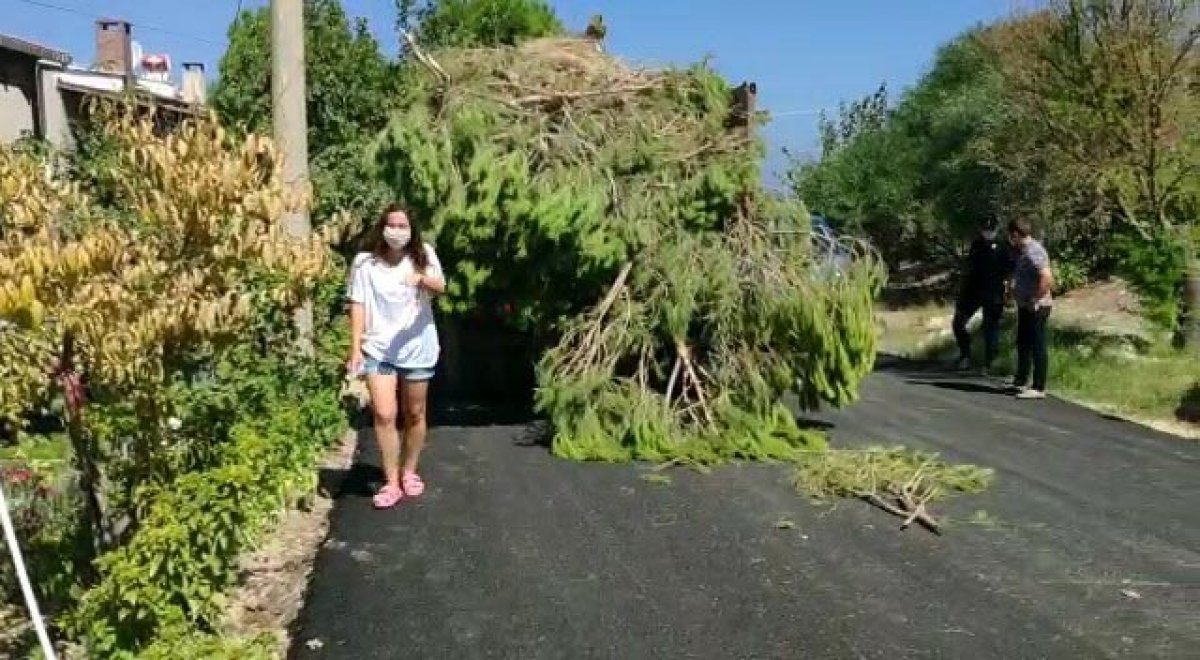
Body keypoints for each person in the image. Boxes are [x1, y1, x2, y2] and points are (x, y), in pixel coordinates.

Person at [346, 205, 446, 509]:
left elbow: (441, 287)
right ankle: (391, 482)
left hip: (417, 348)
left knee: (414, 413)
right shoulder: (365, 263)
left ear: (411, 230)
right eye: (392, 225)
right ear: (382, 227)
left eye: (403, 226)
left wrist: (420, 279)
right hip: (378, 349)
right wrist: (354, 349)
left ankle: (409, 471)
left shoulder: (423, 254)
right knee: (384, 414)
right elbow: (358, 303)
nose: (397, 231)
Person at [951, 217, 1011, 373]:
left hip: (993, 292)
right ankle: (965, 355)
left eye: (990, 229)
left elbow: (1009, 271)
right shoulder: (977, 245)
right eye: (985, 229)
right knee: (958, 323)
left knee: (991, 328)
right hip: (973, 291)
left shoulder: (1004, 247)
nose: (987, 232)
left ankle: (991, 362)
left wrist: (1008, 292)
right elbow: (970, 269)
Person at [1007, 217, 1054, 400]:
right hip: (1025, 305)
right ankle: (1020, 380)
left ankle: (1039, 386)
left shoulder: (1035, 251)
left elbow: (1047, 277)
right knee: (1023, 342)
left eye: (1012, 236)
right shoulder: (1022, 251)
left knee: (1037, 345)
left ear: (1016, 234)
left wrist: (1035, 297)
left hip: (1037, 306)